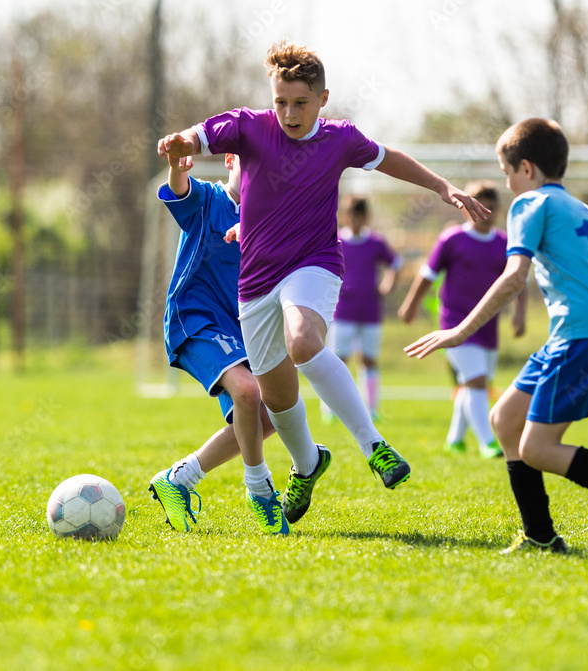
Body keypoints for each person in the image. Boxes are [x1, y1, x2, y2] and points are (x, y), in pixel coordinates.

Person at [157, 40, 490, 525]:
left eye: (300, 102)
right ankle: (307, 464)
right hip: (255, 286)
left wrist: (443, 186)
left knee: (303, 340)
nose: (289, 113)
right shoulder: (249, 127)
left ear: (323, 98)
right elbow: (198, 135)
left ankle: (374, 445)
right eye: (281, 102)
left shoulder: (340, 139)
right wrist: (179, 144)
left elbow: (388, 156)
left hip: (312, 265)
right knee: (276, 399)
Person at [406, 118, 588, 559]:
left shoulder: (529, 205)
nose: (507, 184)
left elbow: (515, 276)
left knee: (536, 448)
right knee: (504, 421)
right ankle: (539, 534)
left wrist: (461, 330)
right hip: (586, 333)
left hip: (583, 336)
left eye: (506, 173)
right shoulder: (583, 210)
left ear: (526, 168)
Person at [147, 151, 289, 535]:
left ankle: (178, 479)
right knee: (247, 391)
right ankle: (259, 489)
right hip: (194, 320)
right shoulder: (208, 199)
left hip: (241, 331)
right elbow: (180, 188)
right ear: (230, 160)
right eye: (250, 163)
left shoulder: (268, 221)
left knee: (270, 416)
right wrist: (178, 165)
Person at [398, 181, 525, 458]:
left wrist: (520, 314)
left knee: (474, 383)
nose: (485, 212)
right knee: (477, 381)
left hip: (488, 327)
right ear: (466, 208)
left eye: (490, 207)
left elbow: (517, 279)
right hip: (453, 325)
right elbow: (427, 275)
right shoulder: (452, 240)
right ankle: (488, 443)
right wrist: (410, 305)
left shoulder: (505, 243)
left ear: (498, 210)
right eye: (478, 205)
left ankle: (455, 439)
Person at [322, 195, 402, 423]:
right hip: (342, 311)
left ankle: (372, 409)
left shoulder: (375, 243)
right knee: (337, 361)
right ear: (346, 216)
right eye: (352, 215)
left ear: (366, 217)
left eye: (360, 216)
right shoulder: (336, 241)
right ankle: (331, 409)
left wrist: (387, 285)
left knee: (369, 360)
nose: (356, 220)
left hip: (370, 311)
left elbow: (395, 264)